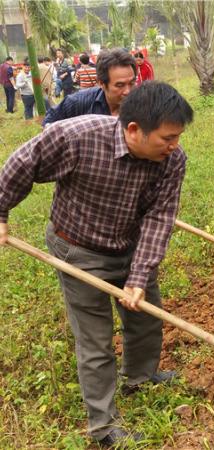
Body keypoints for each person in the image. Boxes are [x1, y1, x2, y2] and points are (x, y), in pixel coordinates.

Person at [0, 81, 194, 447]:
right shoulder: (78, 136)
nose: (174, 146)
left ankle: (139, 376)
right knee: (95, 340)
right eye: (167, 138)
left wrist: (138, 276)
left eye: (178, 137)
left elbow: (160, 217)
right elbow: (22, 163)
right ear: (134, 129)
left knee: (146, 316)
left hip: (131, 244)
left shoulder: (172, 161)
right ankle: (103, 427)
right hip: (79, 250)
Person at [43, 48, 136, 125]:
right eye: (120, 85)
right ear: (101, 83)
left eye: (132, 83)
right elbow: (50, 119)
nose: (128, 91)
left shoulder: (142, 105)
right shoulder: (79, 102)